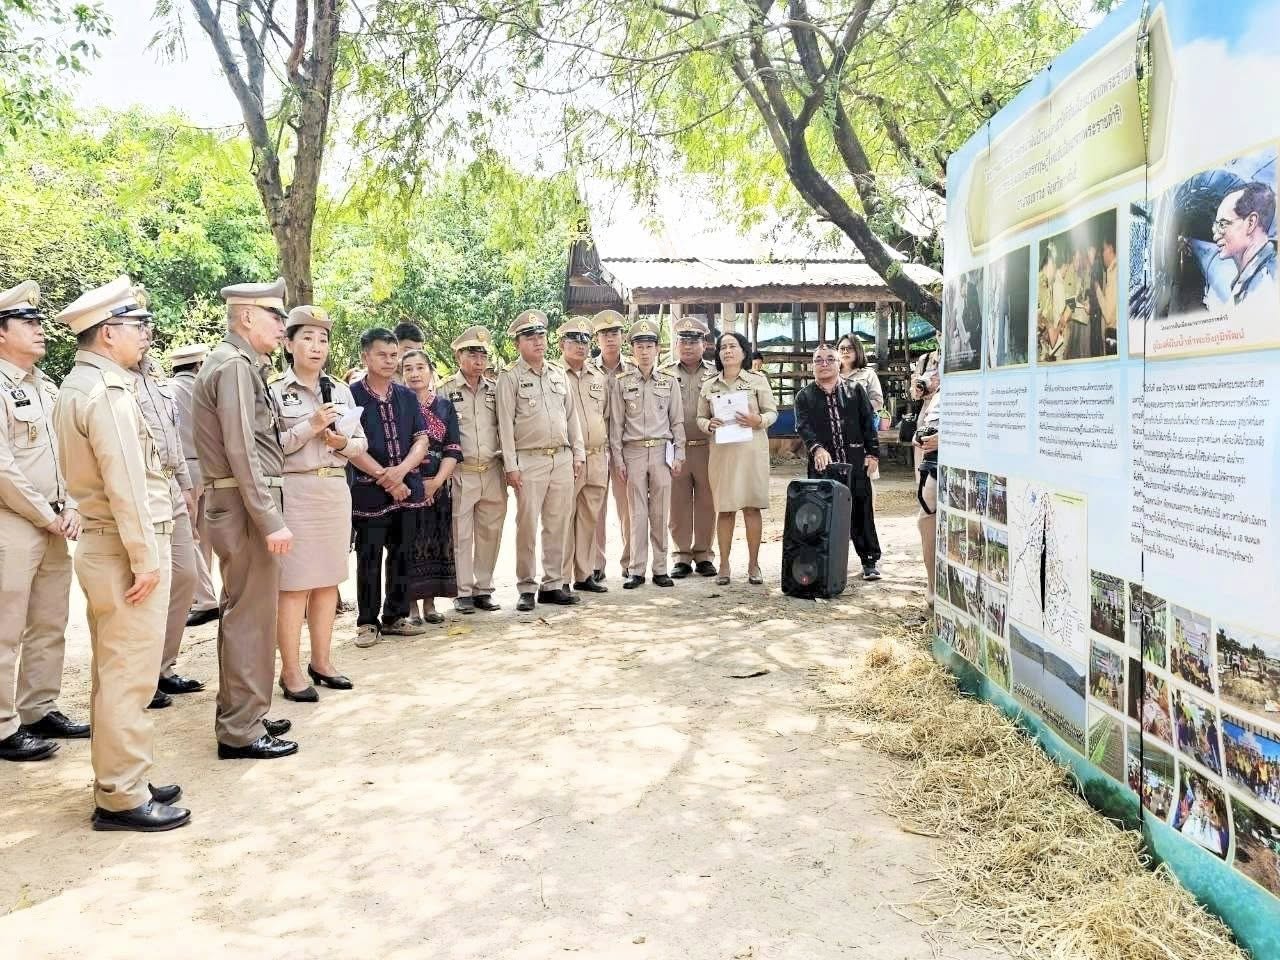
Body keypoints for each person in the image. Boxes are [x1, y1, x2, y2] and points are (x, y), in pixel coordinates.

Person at [52, 276, 189, 831]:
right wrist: (145, 557)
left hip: (110, 541)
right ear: (108, 334)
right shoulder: (106, 393)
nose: (147, 336)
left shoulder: (81, 385)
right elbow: (127, 482)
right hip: (127, 543)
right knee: (129, 673)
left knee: (118, 669)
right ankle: (120, 795)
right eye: (138, 326)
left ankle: (123, 773)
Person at [193, 278, 298, 760]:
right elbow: (241, 449)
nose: (283, 326)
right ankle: (240, 727)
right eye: (276, 316)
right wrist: (269, 517)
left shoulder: (240, 365)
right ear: (247, 317)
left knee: (251, 613)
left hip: (241, 502)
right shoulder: (233, 367)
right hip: (243, 504)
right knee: (249, 617)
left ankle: (247, 709)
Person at [0, 280, 87, 763]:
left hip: (56, 518)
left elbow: (68, 453)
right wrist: (44, 514)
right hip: (13, 520)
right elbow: (3, 467)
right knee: (6, 626)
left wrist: (71, 504)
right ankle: (2, 724)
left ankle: (38, 707)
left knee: (50, 620)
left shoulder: (45, 386)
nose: (39, 330)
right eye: (27, 323)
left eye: (38, 322)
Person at [271, 306, 370, 701]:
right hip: (295, 492)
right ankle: (291, 671)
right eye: (307, 338)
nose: (316, 347)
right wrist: (309, 427)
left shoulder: (341, 390)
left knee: (329, 581)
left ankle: (323, 661)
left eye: (323, 339)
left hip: (333, 490)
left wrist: (341, 442)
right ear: (289, 343)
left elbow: (361, 443)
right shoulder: (275, 391)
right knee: (294, 586)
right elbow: (269, 449)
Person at [131, 334, 203, 707]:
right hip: (140, 488)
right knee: (148, 587)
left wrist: (188, 489)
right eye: (137, 326)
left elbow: (174, 440)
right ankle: (143, 676)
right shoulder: (114, 385)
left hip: (172, 484)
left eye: (147, 327)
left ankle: (163, 666)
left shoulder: (154, 381)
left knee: (186, 575)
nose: (145, 334)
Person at [496, 308, 584, 611]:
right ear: (518, 342)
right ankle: (526, 586)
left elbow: (572, 419)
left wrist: (578, 453)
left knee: (558, 524)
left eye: (541, 336)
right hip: (528, 460)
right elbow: (505, 425)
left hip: (560, 457)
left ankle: (553, 584)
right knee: (527, 526)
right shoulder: (510, 377)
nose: (538, 341)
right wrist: (511, 466)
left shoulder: (558, 373)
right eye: (530, 337)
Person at [348, 328, 432, 647]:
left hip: (407, 488)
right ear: (365, 356)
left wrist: (401, 472)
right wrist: (386, 477)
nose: (389, 361)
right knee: (368, 557)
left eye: (393, 355)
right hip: (369, 490)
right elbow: (348, 445)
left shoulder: (407, 396)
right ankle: (367, 622)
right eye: (382, 354)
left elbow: (421, 439)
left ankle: (395, 616)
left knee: (402, 554)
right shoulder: (352, 395)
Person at [794, 344, 882, 581]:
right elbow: (803, 426)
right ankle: (822, 565)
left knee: (861, 511)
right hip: (823, 464)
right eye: (818, 360)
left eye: (829, 359)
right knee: (820, 515)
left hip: (855, 460)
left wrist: (872, 454)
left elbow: (867, 423)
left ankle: (869, 561)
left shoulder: (855, 390)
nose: (824, 364)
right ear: (812, 365)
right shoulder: (804, 395)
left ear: (838, 363)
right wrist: (817, 448)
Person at [609, 318, 685, 589]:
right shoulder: (621, 383)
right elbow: (616, 424)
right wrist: (618, 459)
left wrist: (679, 455)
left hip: (662, 451)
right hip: (634, 452)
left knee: (660, 511)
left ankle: (661, 568)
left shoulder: (669, 382)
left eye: (649, 346)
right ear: (632, 350)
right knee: (636, 513)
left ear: (658, 350)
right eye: (639, 346)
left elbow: (677, 422)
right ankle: (637, 570)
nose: (644, 351)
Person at [697, 331, 777, 585]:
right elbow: (699, 417)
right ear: (718, 354)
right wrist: (708, 424)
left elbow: (771, 412)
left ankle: (754, 565)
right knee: (726, 509)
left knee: (752, 508)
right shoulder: (710, 385)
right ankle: (724, 565)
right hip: (723, 455)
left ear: (744, 352)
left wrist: (759, 420)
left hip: (751, 453)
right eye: (723, 347)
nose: (728, 351)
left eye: (733, 346)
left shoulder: (757, 380)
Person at [442, 325, 506, 614]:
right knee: (461, 533)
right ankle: (463, 591)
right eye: (472, 353)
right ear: (459, 356)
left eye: (483, 354)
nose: (479, 360)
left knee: (490, 532)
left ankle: (483, 588)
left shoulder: (495, 389)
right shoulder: (445, 390)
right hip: (462, 471)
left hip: (492, 469)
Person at [400, 349, 461, 624]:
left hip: (437, 483)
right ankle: (409, 606)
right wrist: (410, 480)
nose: (415, 373)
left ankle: (430, 604)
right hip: (405, 485)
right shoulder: (398, 404)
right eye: (408, 368)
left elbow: (453, 448)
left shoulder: (445, 406)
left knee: (436, 543)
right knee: (408, 544)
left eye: (420, 367)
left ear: (430, 371)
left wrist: (436, 482)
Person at [660, 317, 717, 578]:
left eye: (693, 341)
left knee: (708, 501)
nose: (687, 346)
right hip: (676, 449)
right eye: (682, 341)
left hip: (708, 447)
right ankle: (681, 555)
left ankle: (704, 554)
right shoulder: (664, 372)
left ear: (703, 344)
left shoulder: (715, 374)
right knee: (678, 502)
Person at [168, 343, 220, 628]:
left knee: (189, 536)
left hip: (182, 468)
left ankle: (204, 598)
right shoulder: (207, 389)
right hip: (208, 466)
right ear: (199, 365)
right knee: (204, 535)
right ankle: (202, 593)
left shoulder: (168, 389)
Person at [559, 317, 610, 594]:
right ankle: (562, 577)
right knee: (565, 517)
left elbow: (606, 416)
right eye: (574, 341)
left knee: (590, 517)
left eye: (585, 341)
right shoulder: (555, 375)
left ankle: (584, 573)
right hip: (569, 458)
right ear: (561, 344)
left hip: (597, 457)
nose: (580, 346)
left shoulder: (599, 377)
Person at [588, 309, 634, 583]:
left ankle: (630, 562)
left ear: (623, 337)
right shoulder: (588, 370)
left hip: (626, 449)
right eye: (604, 334)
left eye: (615, 333)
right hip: (596, 448)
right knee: (595, 507)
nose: (610, 339)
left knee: (628, 507)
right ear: (596, 339)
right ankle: (596, 563)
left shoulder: (633, 369)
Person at [1213, 181, 1277, 306]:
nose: (1215, 236)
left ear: (1251, 223)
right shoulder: (1252, 278)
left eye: (1222, 224)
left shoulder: (1266, 284)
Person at [912, 365, 941, 603]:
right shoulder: (938, 394)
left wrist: (945, 439)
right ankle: (932, 587)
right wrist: (919, 436)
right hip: (931, 467)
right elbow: (924, 425)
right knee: (926, 520)